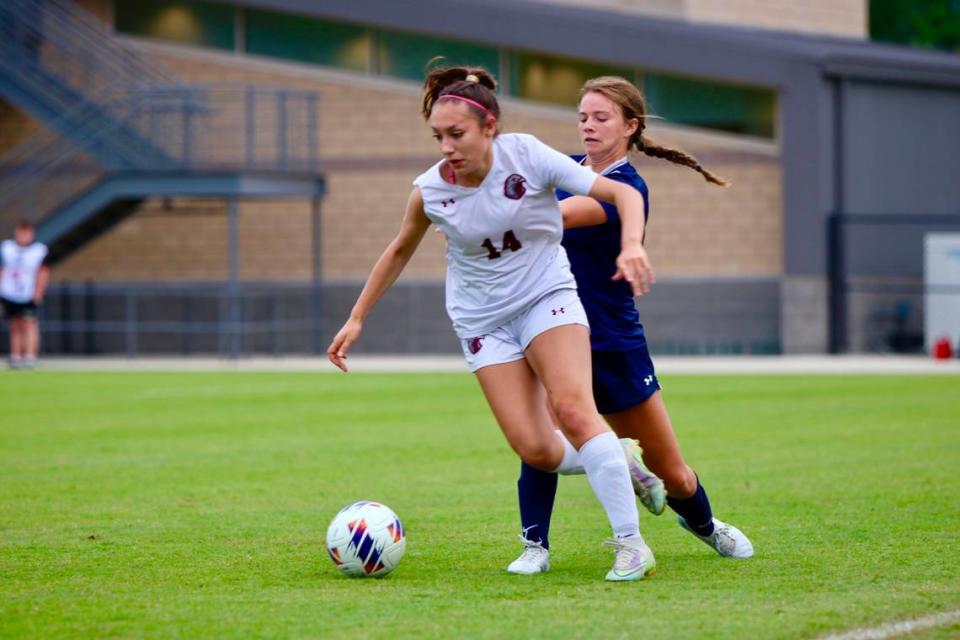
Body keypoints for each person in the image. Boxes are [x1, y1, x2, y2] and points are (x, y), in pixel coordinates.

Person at [328, 63, 660, 581]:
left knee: (573, 409)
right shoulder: (430, 191)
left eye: (456, 134)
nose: (446, 146)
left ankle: (631, 545)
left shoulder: (526, 155)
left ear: (490, 129)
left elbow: (624, 194)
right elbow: (397, 251)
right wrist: (355, 319)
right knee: (535, 448)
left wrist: (633, 244)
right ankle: (611, 454)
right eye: (438, 136)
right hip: (482, 318)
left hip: (546, 295)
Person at [507, 76, 754, 575]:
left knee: (673, 473)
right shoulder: (567, 170)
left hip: (613, 344)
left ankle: (706, 525)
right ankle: (536, 546)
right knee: (540, 443)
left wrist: (497, 212)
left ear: (630, 126)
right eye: (582, 117)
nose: (588, 126)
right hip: (553, 331)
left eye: (601, 118)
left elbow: (559, 216)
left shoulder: (625, 188)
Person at [1, 220, 50, 369]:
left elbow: (43, 271)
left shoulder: (39, 250)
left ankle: (30, 357)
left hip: (27, 293)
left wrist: (38, 291)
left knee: (29, 324)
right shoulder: (7, 248)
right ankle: (16, 356)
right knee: (14, 325)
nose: (22, 236)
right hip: (9, 292)